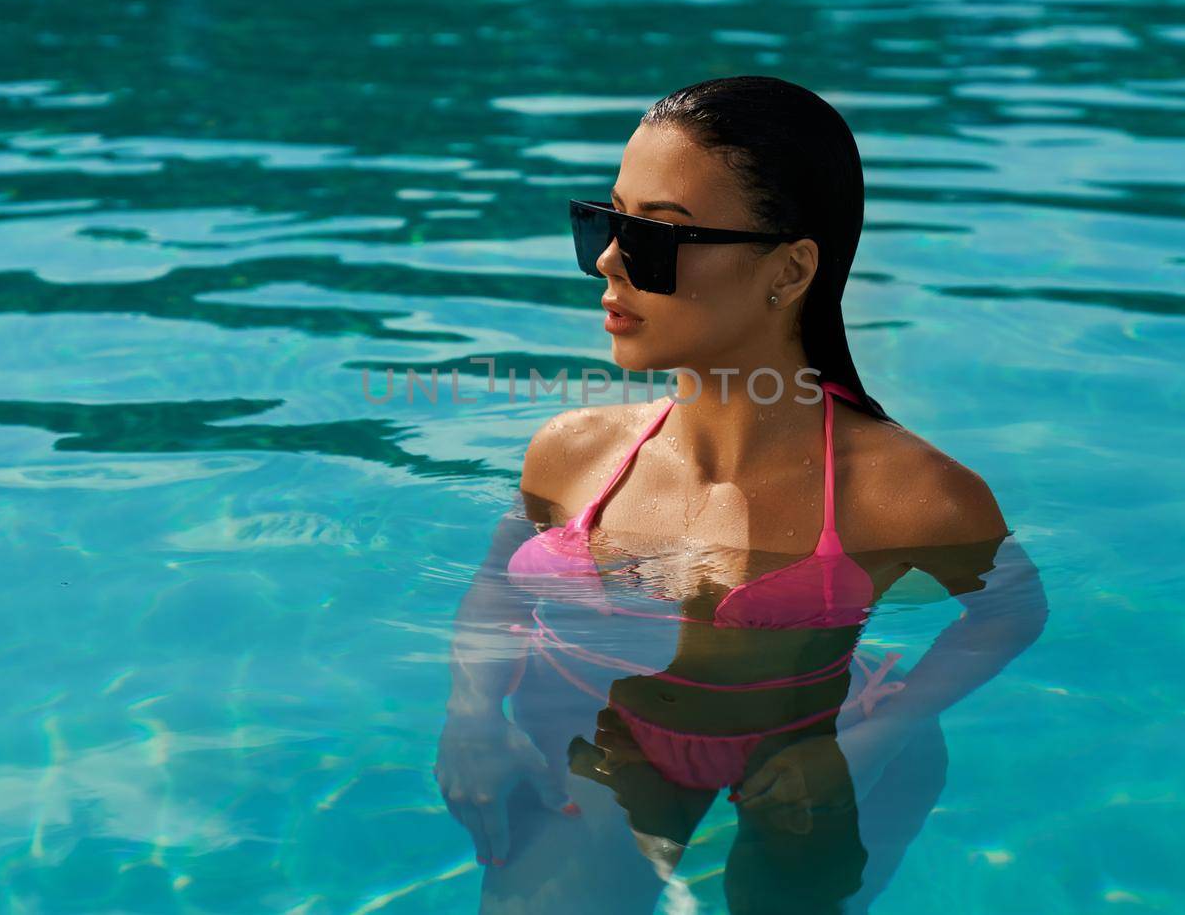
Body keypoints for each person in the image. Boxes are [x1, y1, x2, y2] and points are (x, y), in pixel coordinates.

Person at [435, 75, 1049, 913]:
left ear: (790, 269)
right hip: (615, 743)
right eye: (607, 222)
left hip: (818, 745)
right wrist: (472, 710)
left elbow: (1011, 611)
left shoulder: (909, 494)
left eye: (656, 236)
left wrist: (875, 737)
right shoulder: (571, 455)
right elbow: (497, 581)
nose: (610, 260)